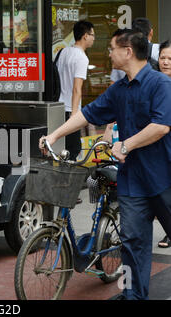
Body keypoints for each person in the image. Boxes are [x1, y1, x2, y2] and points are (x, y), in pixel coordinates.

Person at [40, 29, 171, 300]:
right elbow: (87, 114)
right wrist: (54, 135)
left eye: (112, 48)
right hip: (133, 181)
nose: (108, 53)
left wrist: (125, 145)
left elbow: (160, 127)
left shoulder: (161, 84)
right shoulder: (118, 89)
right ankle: (133, 296)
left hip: (165, 177)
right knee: (132, 244)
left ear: (128, 51)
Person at [56, 20, 95, 162]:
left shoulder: (63, 51)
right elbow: (77, 89)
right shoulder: (81, 58)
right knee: (73, 149)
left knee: (61, 148)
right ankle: (67, 181)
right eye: (92, 35)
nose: (93, 39)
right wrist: (74, 115)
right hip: (70, 109)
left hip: (58, 106)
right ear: (85, 36)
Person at [110, 17, 159, 84]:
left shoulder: (122, 54)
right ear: (151, 32)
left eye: (112, 49)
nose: (110, 54)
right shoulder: (160, 49)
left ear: (129, 52)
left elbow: (113, 82)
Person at [156, 40, 171, 249]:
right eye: (162, 58)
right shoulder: (154, 83)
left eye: (170, 59)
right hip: (158, 146)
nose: (166, 62)